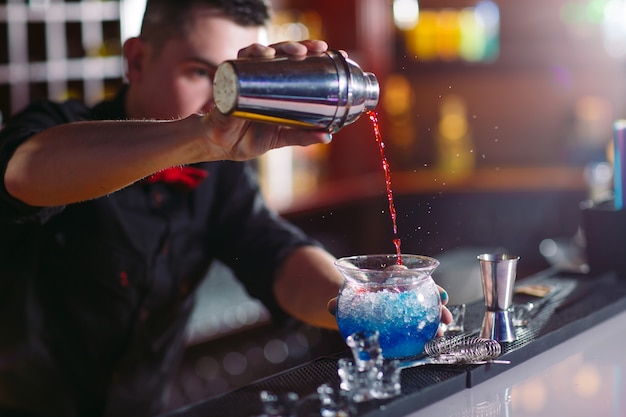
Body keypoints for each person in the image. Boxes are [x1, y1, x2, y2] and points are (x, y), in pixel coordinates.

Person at [0, 0, 451, 416]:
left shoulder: (220, 176)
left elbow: (276, 255)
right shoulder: (60, 127)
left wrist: (361, 297)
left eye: (234, 81)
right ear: (137, 60)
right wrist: (200, 134)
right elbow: (24, 171)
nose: (221, 100)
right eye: (202, 73)